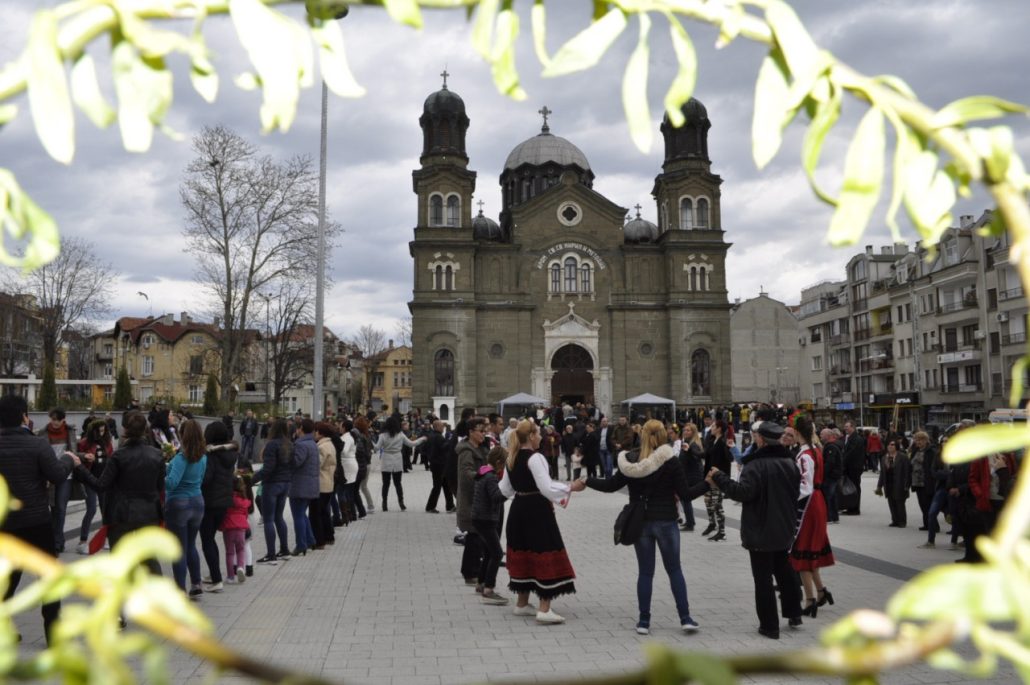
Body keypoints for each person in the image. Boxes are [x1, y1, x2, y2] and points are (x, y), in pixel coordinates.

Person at [572, 419, 709, 634]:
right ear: (663, 435)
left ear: (642, 435)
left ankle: (644, 621)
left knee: (645, 573)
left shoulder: (630, 459)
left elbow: (610, 486)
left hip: (641, 522)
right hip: (666, 521)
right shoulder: (670, 460)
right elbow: (686, 495)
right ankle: (685, 618)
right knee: (674, 570)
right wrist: (709, 483)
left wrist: (586, 481)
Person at [707, 421, 802, 639]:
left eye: (756, 436)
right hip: (784, 526)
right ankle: (794, 612)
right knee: (784, 570)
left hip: (761, 529)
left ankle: (770, 626)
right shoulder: (790, 463)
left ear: (760, 440)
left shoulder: (755, 466)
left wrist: (720, 477)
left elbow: (742, 493)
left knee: (763, 579)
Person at [0, 394, 78, 643]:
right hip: (36, 522)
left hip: (6, 524)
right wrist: (68, 459)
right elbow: (56, 475)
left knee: (8, 577)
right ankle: (53, 635)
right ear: (24, 416)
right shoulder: (37, 445)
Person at [499, 419, 576, 624]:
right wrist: (570, 487)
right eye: (538, 434)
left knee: (524, 552)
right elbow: (546, 488)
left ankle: (522, 603)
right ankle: (544, 608)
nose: (541, 437)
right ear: (531, 436)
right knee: (545, 550)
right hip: (537, 510)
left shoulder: (511, 458)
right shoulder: (536, 458)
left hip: (518, 509)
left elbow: (505, 490)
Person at [73, 410, 164, 574]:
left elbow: (101, 485)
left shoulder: (118, 456)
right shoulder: (157, 455)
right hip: (149, 512)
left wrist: (80, 467)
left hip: (122, 513)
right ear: (145, 430)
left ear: (125, 431)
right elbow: (160, 486)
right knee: (150, 559)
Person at [789, 416, 836, 618]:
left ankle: (808, 601)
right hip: (817, 501)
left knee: (802, 552)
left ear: (798, 433)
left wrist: (789, 498)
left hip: (808, 504)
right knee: (810, 551)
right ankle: (821, 591)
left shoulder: (806, 455)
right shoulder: (815, 449)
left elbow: (805, 486)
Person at [165, 419, 207, 596]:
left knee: (179, 548)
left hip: (179, 504)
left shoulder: (181, 458)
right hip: (197, 502)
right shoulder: (203, 457)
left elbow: (172, 484)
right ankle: (196, 583)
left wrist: (162, 473)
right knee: (191, 545)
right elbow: (200, 479)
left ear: (183, 435)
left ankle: (180, 589)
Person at [199, 421, 238, 592]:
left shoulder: (210, 455)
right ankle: (214, 573)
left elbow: (206, 479)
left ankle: (216, 579)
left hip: (209, 501)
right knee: (211, 538)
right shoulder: (230, 454)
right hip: (224, 501)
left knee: (207, 540)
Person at [472, 446, 510, 606]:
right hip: (486, 519)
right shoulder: (491, 477)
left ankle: (480, 583)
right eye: (505, 464)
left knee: (488, 552)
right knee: (497, 554)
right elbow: (496, 498)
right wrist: (508, 493)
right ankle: (489, 588)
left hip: (479, 518)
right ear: (499, 462)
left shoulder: (483, 472)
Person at [456, 416, 490, 584]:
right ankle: (470, 573)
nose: (484, 434)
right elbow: (465, 475)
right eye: (480, 431)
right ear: (471, 432)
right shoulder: (466, 451)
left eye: (485, 431)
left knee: (478, 536)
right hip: (471, 501)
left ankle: (473, 570)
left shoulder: (482, 449)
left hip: (480, 500)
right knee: (474, 537)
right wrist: (483, 474)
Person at [253, 418, 292, 562]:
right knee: (279, 517)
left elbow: (268, 469)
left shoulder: (272, 445)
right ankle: (285, 549)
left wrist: (252, 479)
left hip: (272, 485)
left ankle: (271, 554)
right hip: (285, 484)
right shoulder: (289, 444)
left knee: (269, 519)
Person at [73, 419, 113, 554]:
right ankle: (82, 541)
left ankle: (107, 538)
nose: (101, 433)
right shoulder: (85, 442)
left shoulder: (107, 443)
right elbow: (76, 456)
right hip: (90, 479)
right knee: (91, 510)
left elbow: (111, 459)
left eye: (103, 430)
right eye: (99, 430)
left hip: (104, 479)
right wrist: (85, 456)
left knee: (105, 510)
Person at [39, 408, 75, 553]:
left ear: (63, 419)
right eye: (52, 419)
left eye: (56, 419)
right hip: (49, 474)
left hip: (67, 475)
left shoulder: (70, 431)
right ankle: (54, 540)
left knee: (60, 508)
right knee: (53, 508)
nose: (53, 422)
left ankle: (58, 542)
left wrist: (83, 456)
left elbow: (73, 451)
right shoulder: (42, 433)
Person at [373, 415, 427, 511]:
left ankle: (384, 503)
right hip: (397, 459)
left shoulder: (382, 436)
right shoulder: (401, 435)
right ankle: (401, 503)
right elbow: (411, 443)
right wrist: (421, 439)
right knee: (398, 483)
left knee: (386, 484)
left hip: (386, 460)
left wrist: (371, 442)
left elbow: (376, 448)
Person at [289, 418, 319, 555]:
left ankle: (301, 544)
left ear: (300, 429)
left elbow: (295, 463)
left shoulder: (301, 445)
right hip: (309, 485)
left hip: (300, 485)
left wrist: (288, 455)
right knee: (302, 514)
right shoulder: (312, 443)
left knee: (298, 516)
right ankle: (310, 539)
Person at [701, 419, 732, 541]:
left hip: (718, 478)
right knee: (708, 501)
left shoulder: (723, 442)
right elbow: (706, 455)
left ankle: (722, 532)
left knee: (717, 504)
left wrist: (729, 448)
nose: (711, 428)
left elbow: (730, 459)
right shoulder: (713, 440)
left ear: (719, 428)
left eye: (713, 426)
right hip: (709, 477)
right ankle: (712, 524)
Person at [220, 475, 252, 584]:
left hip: (228, 528)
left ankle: (230, 577)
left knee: (229, 553)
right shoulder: (243, 500)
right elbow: (246, 515)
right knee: (240, 550)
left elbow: (222, 513)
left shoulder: (226, 499)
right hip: (241, 529)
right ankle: (240, 568)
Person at [876, 439, 911, 528]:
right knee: (891, 503)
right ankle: (895, 520)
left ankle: (902, 521)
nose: (890, 446)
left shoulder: (903, 457)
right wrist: (879, 485)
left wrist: (907, 484)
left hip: (900, 483)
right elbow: (882, 473)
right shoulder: (884, 457)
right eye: (889, 444)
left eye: (892, 444)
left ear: (897, 447)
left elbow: (907, 471)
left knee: (900, 503)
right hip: (888, 483)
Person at [313, 422, 337, 547]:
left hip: (321, 482)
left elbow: (318, 465)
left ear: (321, 433)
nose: (314, 434)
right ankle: (329, 536)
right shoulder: (330, 444)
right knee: (325, 512)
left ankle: (320, 540)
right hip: (329, 482)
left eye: (316, 431)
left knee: (318, 513)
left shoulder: (321, 447)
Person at [677, 423, 705, 532]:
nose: (685, 432)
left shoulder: (693, 444)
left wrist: (689, 451)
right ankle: (690, 522)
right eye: (684, 430)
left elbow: (696, 458)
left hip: (692, 476)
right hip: (687, 475)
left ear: (693, 432)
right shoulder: (686, 443)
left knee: (685, 499)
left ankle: (690, 523)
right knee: (685, 499)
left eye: (688, 430)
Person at [908, 431, 936, 532]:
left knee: (928, 504)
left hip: (926, 482)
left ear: (926, 440)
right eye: (916, 439)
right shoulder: (916, 450)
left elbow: (932, 466)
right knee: (923, 504)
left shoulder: (931, 451)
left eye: (921, 440)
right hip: (917, 482)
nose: (918, 442)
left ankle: (933, 525)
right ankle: (927, 524)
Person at [424, 420, 454, 513]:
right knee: (437, 486)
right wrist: (450, 441)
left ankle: (450, 506)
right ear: (436, 427)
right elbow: (445, 448)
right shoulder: (438, 437)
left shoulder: (431, 436)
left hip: (436, 464)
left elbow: (424, 449)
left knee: (446, 486)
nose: (443, 428)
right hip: (439, 465)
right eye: (441, 426)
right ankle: (430, 507)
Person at [840, 421, 866, 515]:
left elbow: (850, 454)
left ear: (853, 427)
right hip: (851, 467)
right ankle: (851, 507)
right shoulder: (850, 437)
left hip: (854, 468)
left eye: (847, 426)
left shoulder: (856, 439)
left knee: (854, 488)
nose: (845, 428)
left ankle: (855, 509)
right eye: (845, 426)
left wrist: (842, 463)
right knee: (851, 488)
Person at [820, 428, 843, 524]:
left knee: (828, 496)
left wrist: (822, 472)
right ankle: (834, 517)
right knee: (832, 496)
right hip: (834, 474)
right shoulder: (832, 445)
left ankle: (829, 517)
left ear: (828, 435)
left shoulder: (830, 447)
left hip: (831, 475)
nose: (820, 436)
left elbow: (830, 462)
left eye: (822, 434)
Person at [354, 416, 376, 515]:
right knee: (363, 487)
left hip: (362, 464)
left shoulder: (359, 437)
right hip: (368, 464)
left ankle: (359, 506)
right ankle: (370, 505)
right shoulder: (367, 436)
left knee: (358, 488)